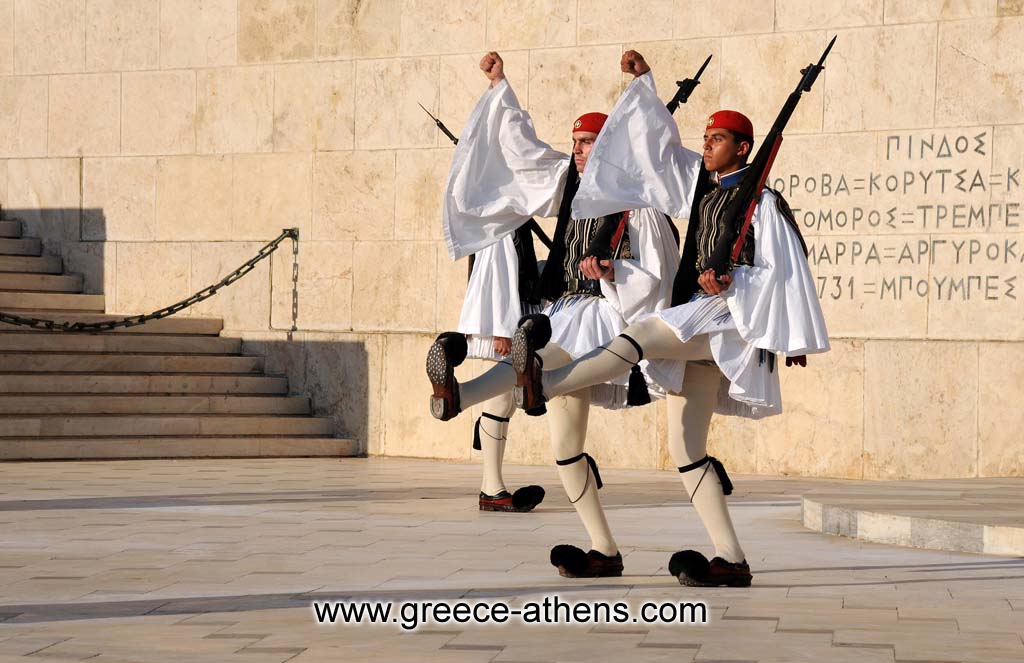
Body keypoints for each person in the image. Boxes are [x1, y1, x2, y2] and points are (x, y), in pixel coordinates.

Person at [509, 50, 830, 587]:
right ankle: (731, 559)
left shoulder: (764, 202)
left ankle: (544, 378)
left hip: (729, 320)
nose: (706, 146)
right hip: (701, 324)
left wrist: (739, 287)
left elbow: (785, 270)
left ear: (744, 148)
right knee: (687, 448)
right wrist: (641, 85)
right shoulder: (701, 187)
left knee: (642, 333)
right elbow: (656, 150)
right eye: (705, 138)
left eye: (718, 139)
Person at [428, 51, 681, 577]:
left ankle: (468, 395)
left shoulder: (639, 204)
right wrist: (502, 88)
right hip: (564, 313)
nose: (581, 152)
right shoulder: (568, 185)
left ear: (609, 144)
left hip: (604, 321)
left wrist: (612, 272)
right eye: (578, 143)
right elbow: (521, 155)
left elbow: (659, 274)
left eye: (590, 142)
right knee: (566, 449)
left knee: (539, 358)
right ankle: (605, 551)